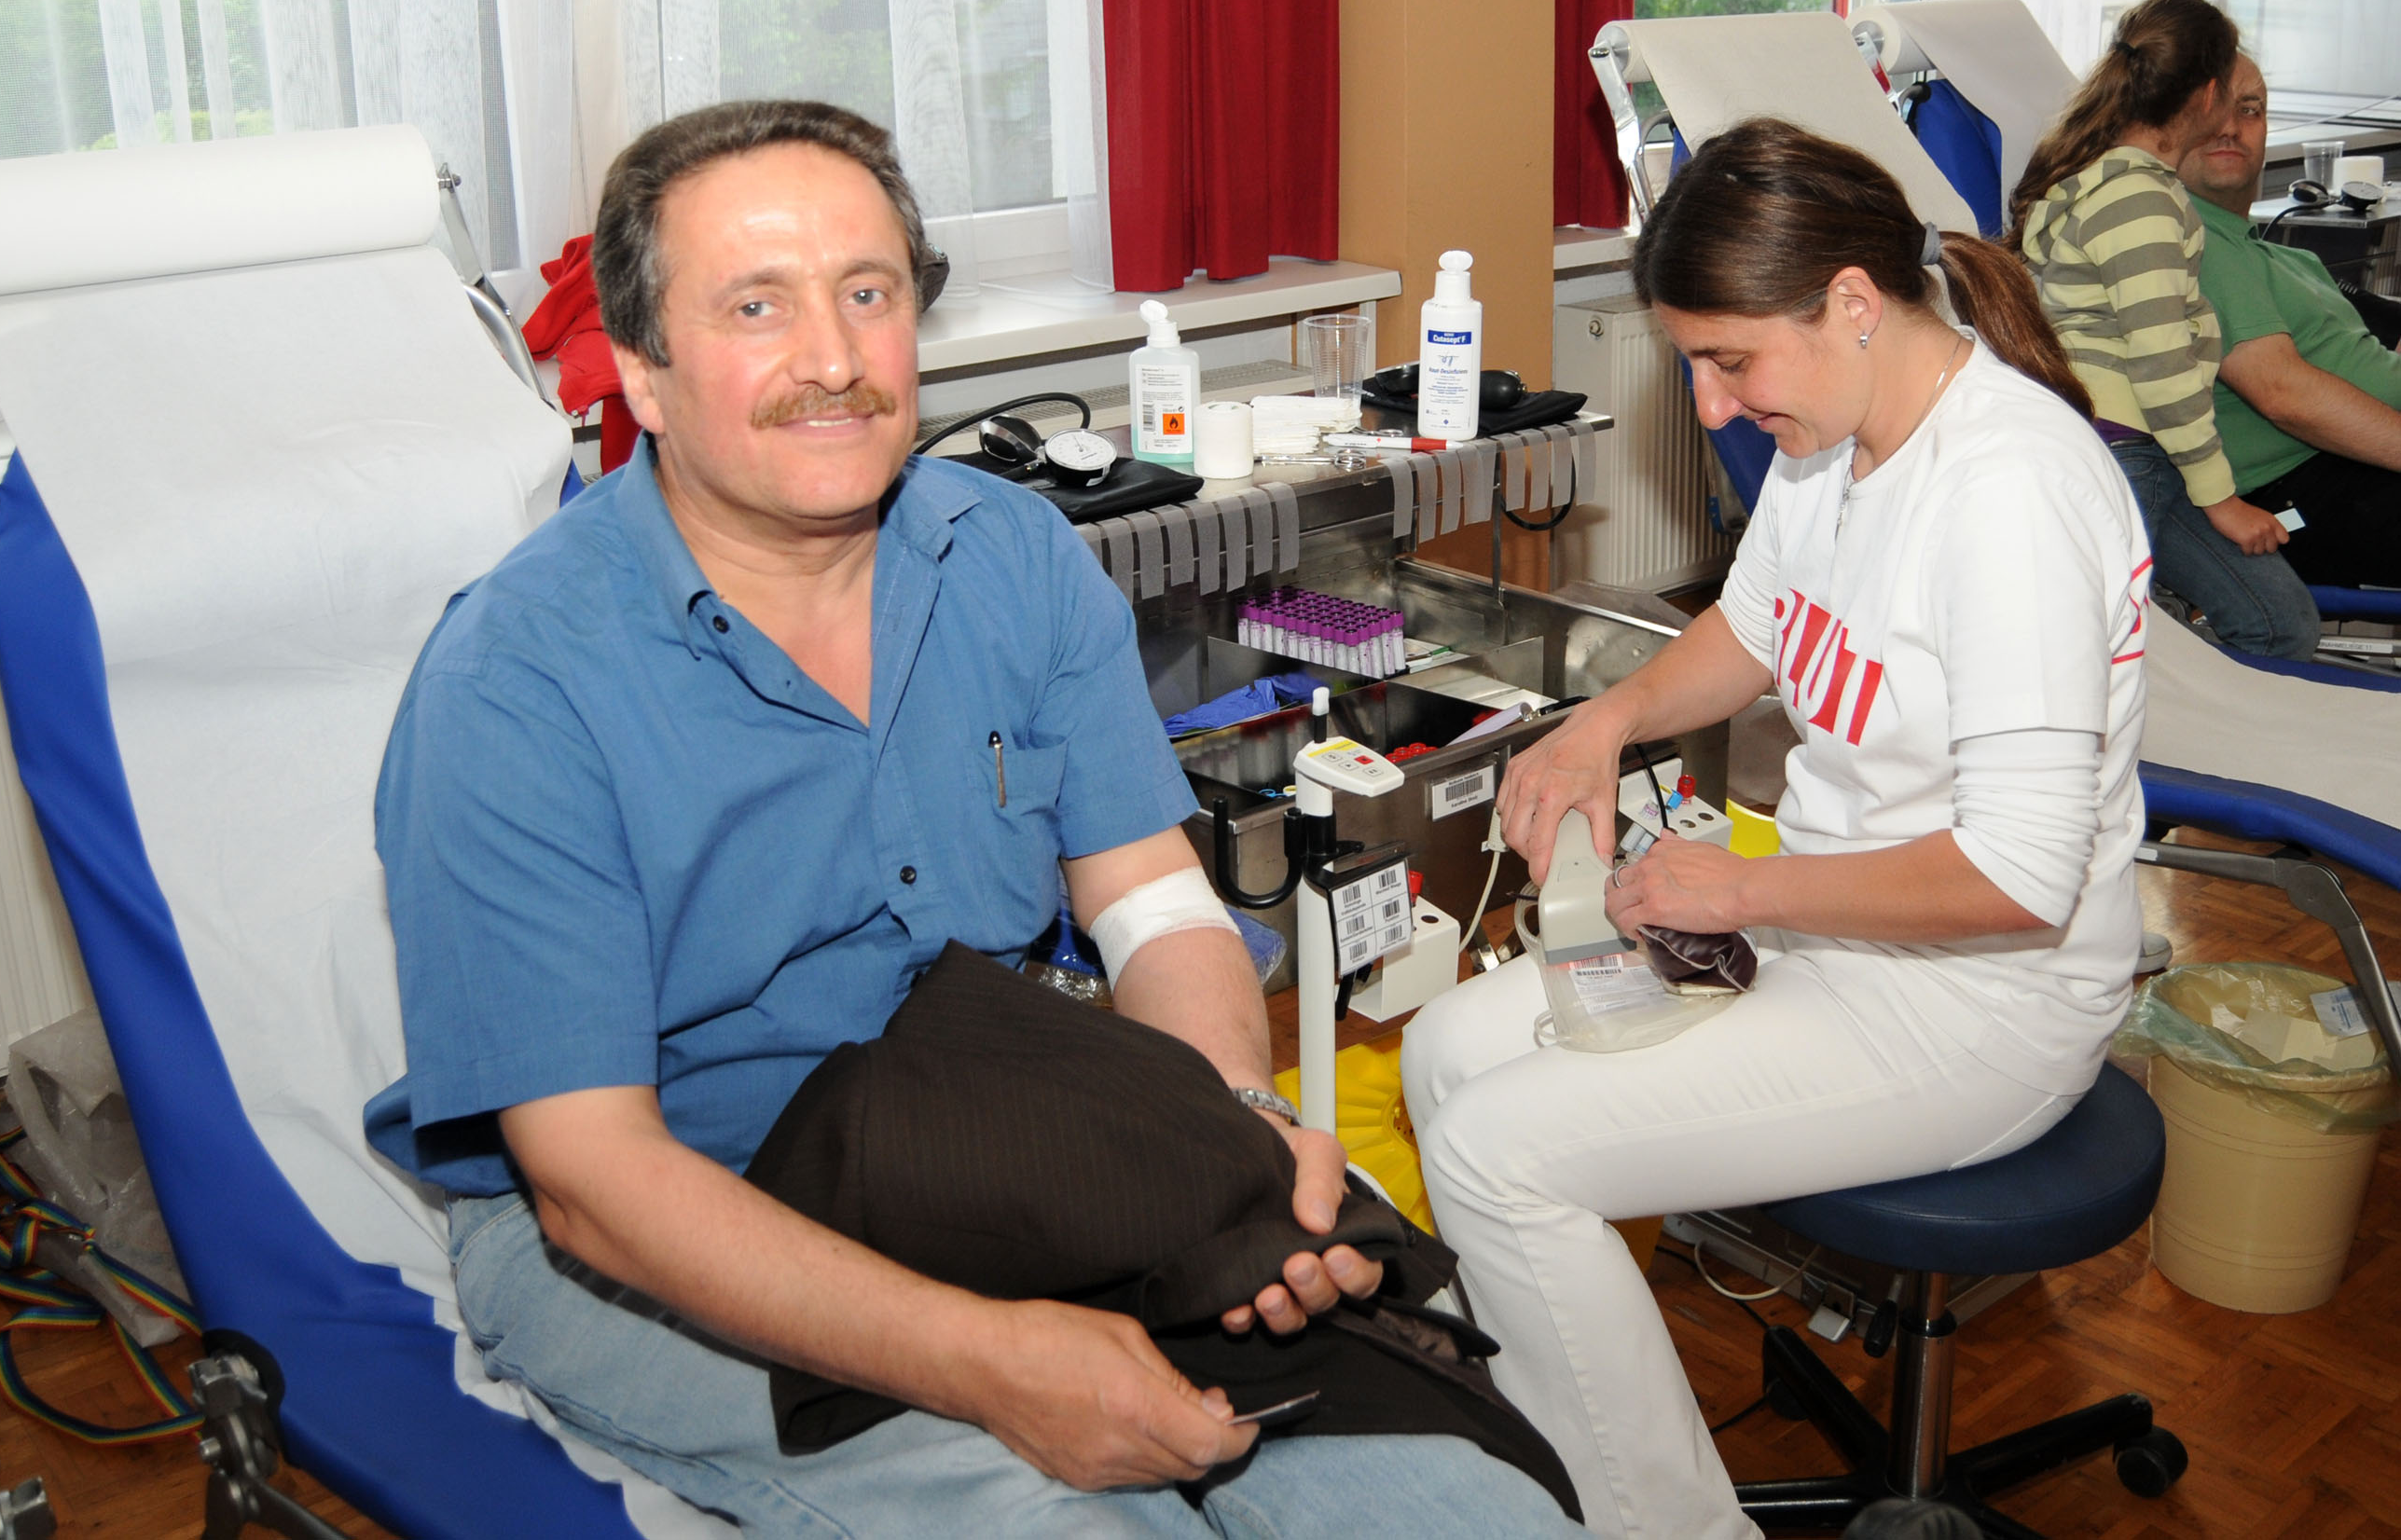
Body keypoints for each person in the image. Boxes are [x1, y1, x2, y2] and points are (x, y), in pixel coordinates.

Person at [361, 100, 1579, 1539]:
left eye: (866, 293)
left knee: (1460, 1502)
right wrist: (994, 1361)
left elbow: (1154, 904)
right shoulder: (518, 679)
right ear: (641, 366)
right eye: (756, 305)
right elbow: (593, 1180)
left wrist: (1228, 1137)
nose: (832, 358)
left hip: (995, 1136)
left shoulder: (1009, 551)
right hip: (672, 1212)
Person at [1403, 117, 2152, 1540]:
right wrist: (1605, 719)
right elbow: (1751, 631)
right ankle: (1561, 1465)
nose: (1710, 406)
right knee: (1444, 1053)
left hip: (1981, 1004)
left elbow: (2017, 880)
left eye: (1727, 359)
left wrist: (1742, 891)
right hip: (1824, 936)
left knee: (1502, 1156)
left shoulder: (2010, 496)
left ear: (1851, 302)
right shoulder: (1833, 445)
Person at [2010, 0, 2319, 660]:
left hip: (2146, 448)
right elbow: (2161, 363)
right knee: (2090, 647)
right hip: (2123, 448)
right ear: (2208, 96)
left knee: (2279, 622)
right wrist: (2221, 499)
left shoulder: (2112, 184)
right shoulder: (2139, 200)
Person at [2177, 52, 2401, 591]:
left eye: (2249, 109)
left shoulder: (2282, 259)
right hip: (2292, 496)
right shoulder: (2188, 241)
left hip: (2352, 463)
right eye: (2207, 110)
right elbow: (2283, 395)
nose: (2230, 127)